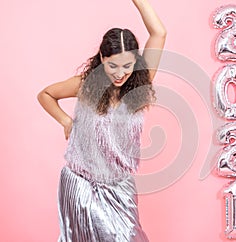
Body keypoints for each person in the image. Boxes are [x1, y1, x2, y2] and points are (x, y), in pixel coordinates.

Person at [37, 0, 166, 241]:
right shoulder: (86, 85)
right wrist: (66, 121)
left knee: (128, 237)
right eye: (112, 65)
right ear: (102, 59)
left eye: (127, 66)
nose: (119, 73)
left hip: (119, 186)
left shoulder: (141, 83)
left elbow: (159, 32)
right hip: (81, 182)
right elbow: (46, 94)